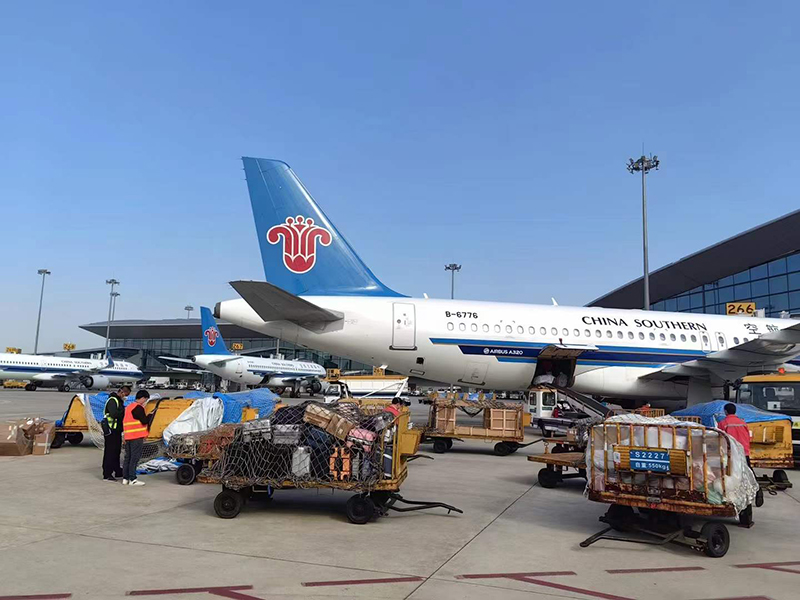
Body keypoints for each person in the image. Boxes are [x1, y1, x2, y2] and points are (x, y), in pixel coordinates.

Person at [718, 403, 756, 528]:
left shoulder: (723, 423)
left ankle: (732, 505)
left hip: (732, 456)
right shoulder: (743, 422)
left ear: (725, 411)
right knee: (746, 483)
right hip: (744, 454)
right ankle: (746, 518)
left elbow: (720, 440)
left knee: (733, 482)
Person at [122, 390, 152, 486]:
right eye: (146, 399)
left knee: (128, 458)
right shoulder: (138, 408)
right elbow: (144, 421)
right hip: (136, 437)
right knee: (134, 458)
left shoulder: (128, 407)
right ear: (143, 398)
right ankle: (133, 479)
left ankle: (125, 478)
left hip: (128, 436)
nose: (145, 402)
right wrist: (150, 415)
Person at [102, 385, 130, 481]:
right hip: (111, 431)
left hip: (117, 430)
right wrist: (123, 411)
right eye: (126, 394)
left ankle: (117, 470)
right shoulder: (112, 400)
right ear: (121, 392)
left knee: (116, 451)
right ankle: (107, 473)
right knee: (110, 452)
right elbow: (114, 414)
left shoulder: (119, 401)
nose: (125, 397)